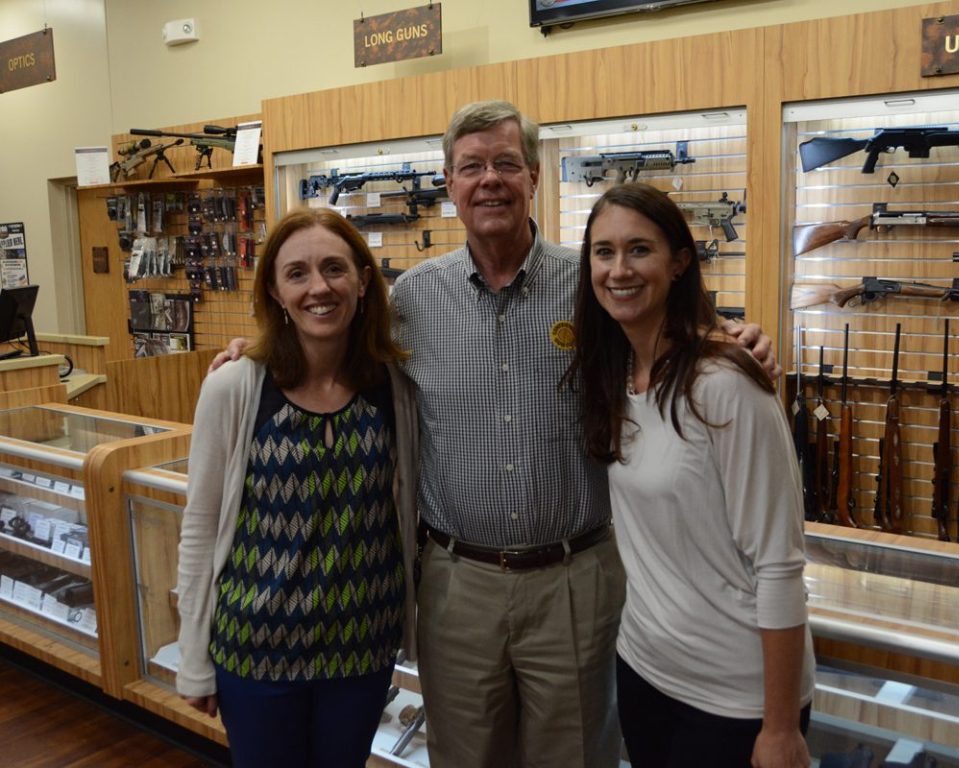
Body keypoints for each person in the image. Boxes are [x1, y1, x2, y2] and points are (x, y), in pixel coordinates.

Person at [212, 99, 779, 768]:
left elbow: (669, 335)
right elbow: (334, 345)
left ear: (533, 176)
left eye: (506, 163)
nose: (490, 180)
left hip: (576, 578)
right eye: (471, 166)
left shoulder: (593, 285)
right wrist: (255, 356)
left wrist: (733, 337)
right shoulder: (413, 299)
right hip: (457, 587)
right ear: (449, 183)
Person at [566, 182, 814, 768]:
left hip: (735, 697)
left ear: (679, 263)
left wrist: (779, 727)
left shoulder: (725, 384)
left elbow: (779, 563)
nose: (619, 269)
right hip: (645, 670)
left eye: (639, 250)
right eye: (603, 252)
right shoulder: (616, 375)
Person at [176, 208, 419, 768]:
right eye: (298, 273)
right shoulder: (237, 385)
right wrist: (194, 655)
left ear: (362, 279)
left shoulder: (394, 385)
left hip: (363, 648)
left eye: (334, 269)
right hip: (257, 653)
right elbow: (200, 526)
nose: (319, 288)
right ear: (275, 291)